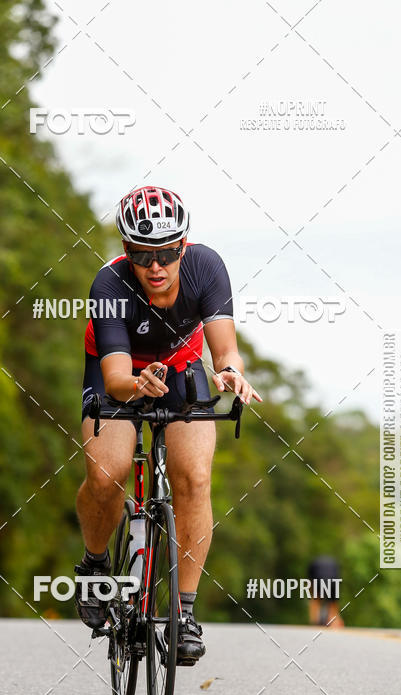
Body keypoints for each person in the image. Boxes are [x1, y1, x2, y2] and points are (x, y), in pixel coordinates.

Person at [74, 186, 261, 662]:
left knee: (195, 478)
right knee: (105, 472)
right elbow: (116, 379)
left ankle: (185, 612)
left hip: (179, 367)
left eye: (165, 253)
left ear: (183, 246)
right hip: (118, 371)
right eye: (141, 253)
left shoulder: (207, 267)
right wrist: (136, 385)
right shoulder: (110, 285)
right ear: (126, 251)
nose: (155, 266)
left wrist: (231, 373)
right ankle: (96, 566)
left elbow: (225, 350)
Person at [307, 555, 344, 628]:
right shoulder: (334, 563)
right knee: (333, 604)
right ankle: (336, 623)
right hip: (333, 581)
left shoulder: (313, 564)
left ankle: (314, 621)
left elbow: (310, 582)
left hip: (318, 580)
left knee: (315, 600)